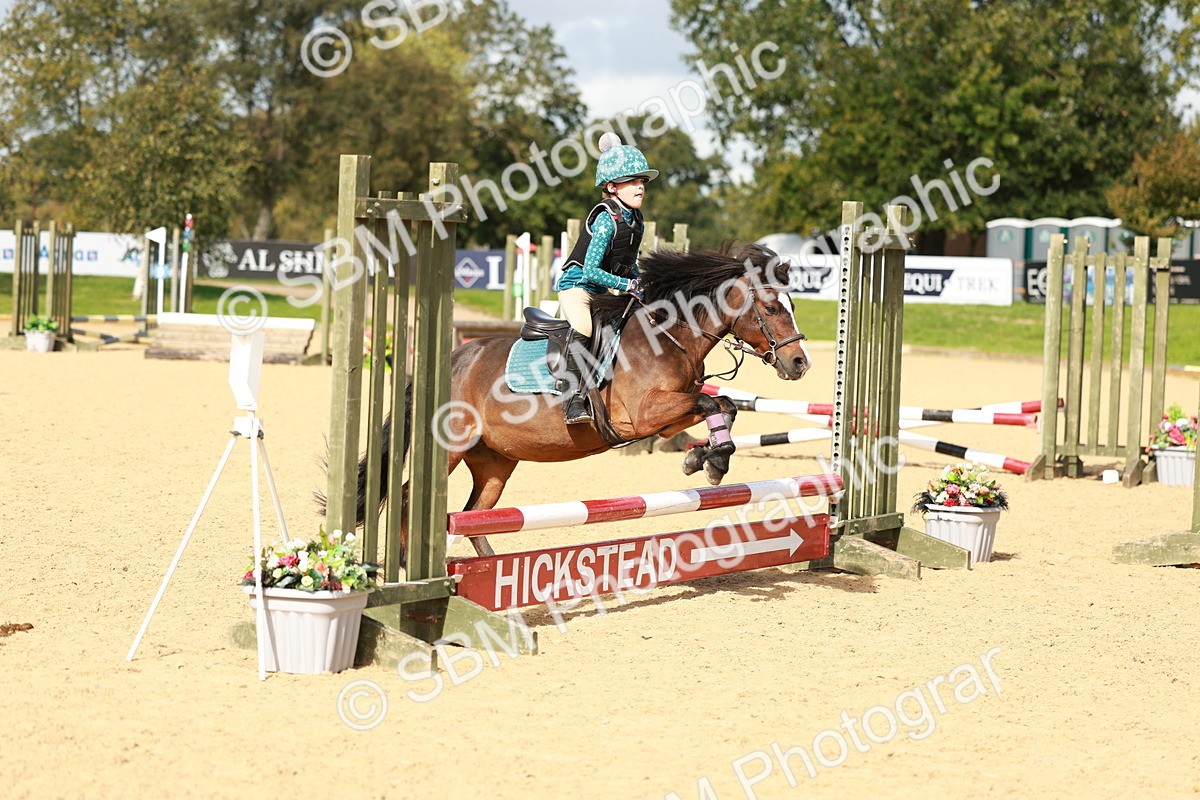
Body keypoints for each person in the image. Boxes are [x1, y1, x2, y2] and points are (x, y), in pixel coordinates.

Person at [555, 132, 658, 424]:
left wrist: (641, 288)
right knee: (585, 327)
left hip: (603, 288)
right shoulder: (604, 219)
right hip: (577, 286)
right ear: (612, 187)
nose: (640, 187)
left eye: (642, 182)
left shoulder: (635, 220)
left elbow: (629, 265)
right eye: (633, 181)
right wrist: (627, 285)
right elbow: (590, 270)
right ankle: (572, 399)